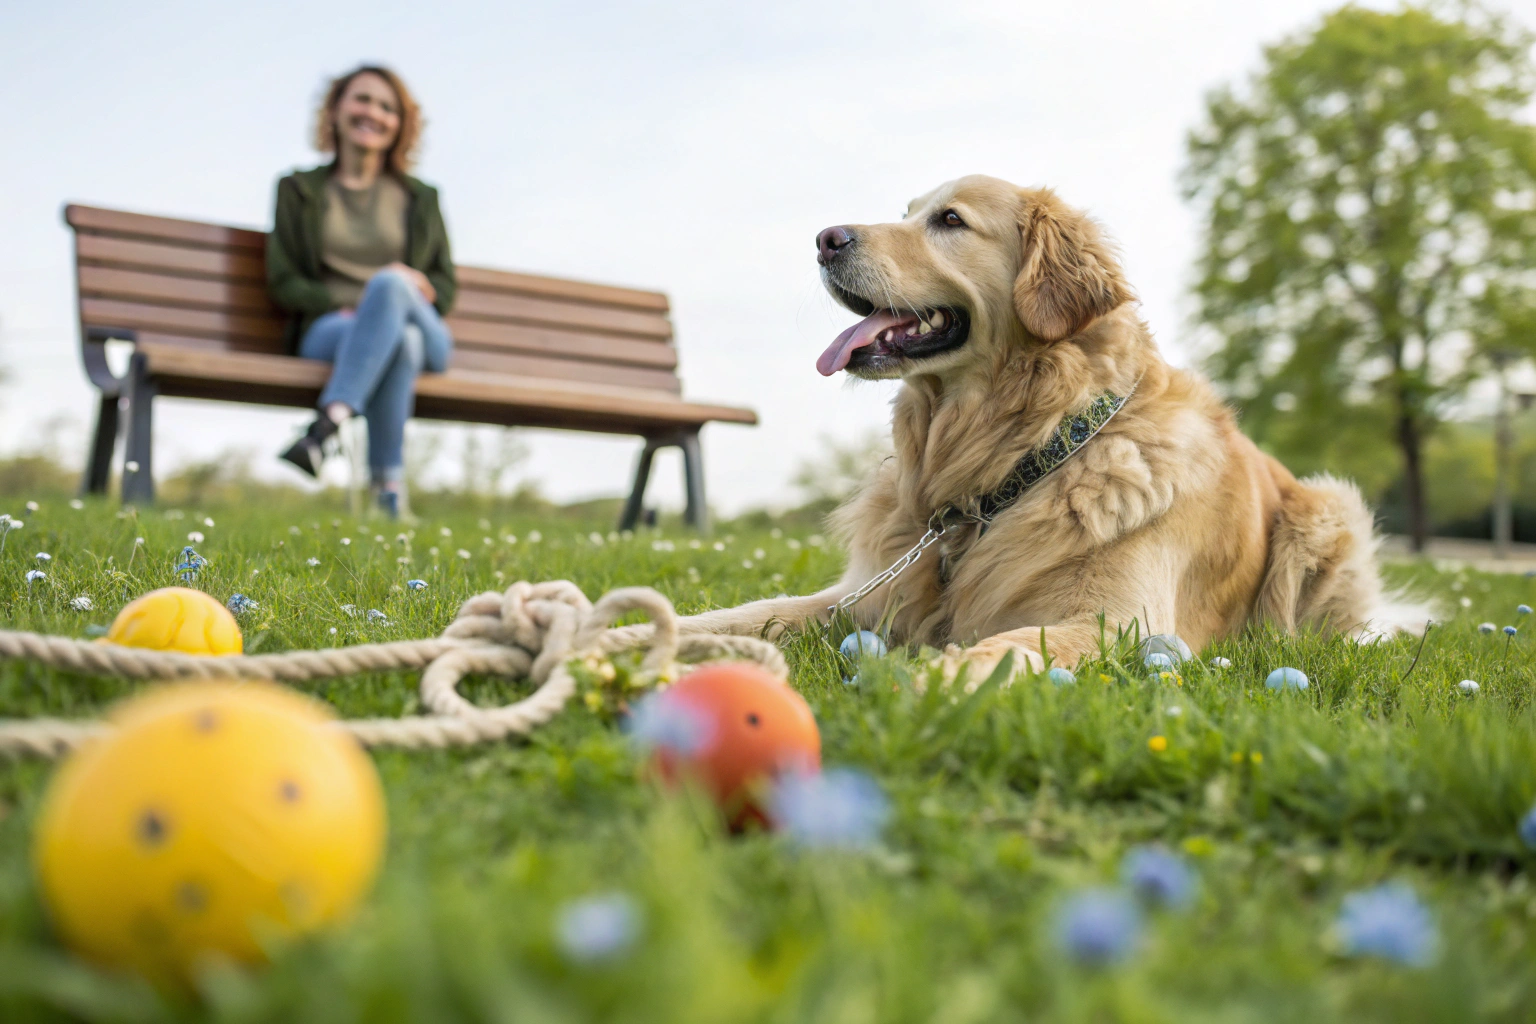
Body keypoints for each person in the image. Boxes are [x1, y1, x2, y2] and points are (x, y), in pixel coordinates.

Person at [266, 64, 456, 518]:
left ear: (401, 124)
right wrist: (350, 307)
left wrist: (412, 287)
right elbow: (283, 281)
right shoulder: (298, 190)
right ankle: (388, 496)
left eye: (387, 107)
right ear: (335, 110)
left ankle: (326, 425)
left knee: (393, 287)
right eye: (362, 99)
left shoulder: (421, 198)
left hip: (422, 324)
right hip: (334, 329)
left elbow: (446, 287)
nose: (374, 112)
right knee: (399, 342)